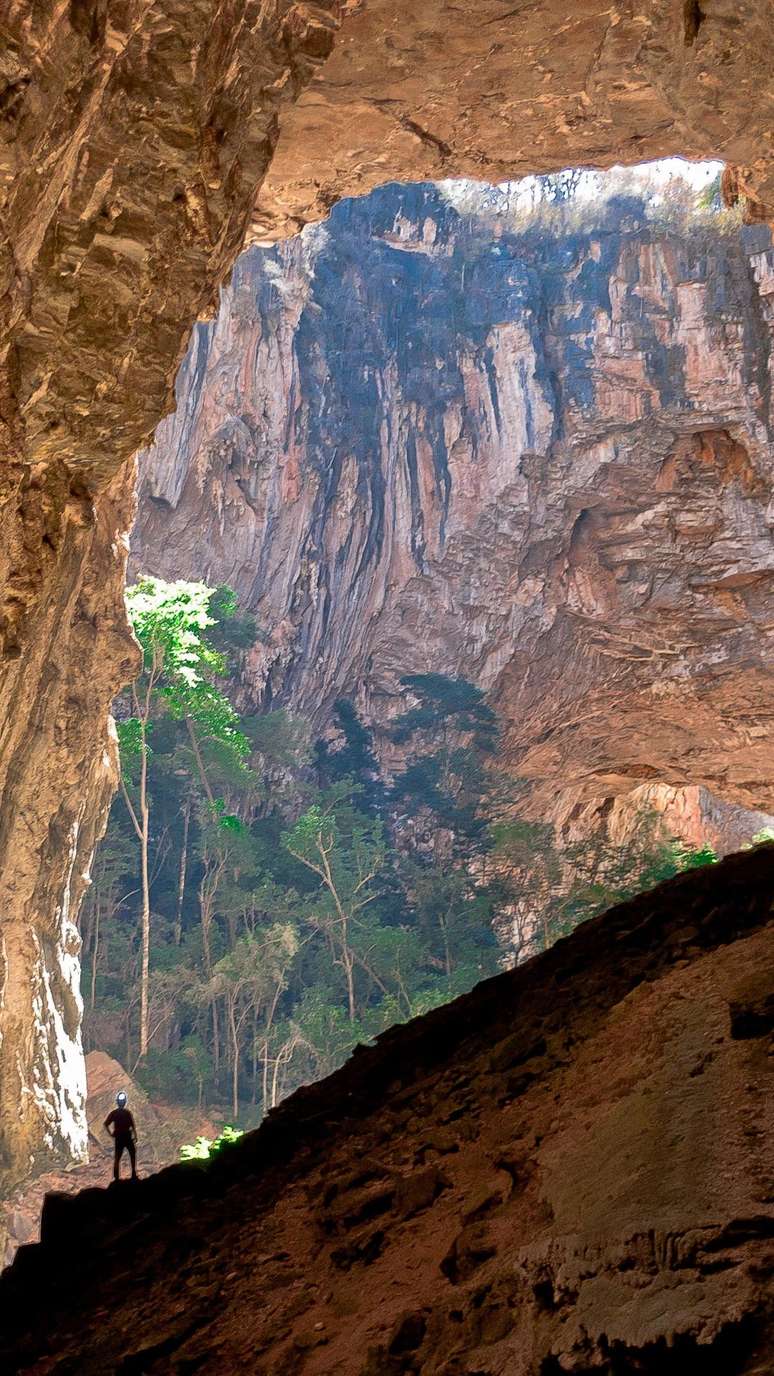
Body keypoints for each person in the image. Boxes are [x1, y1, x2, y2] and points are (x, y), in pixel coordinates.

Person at [104, 1090, 139, 1182]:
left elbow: (106, 1124)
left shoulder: (114, 1113)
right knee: (132, 1154)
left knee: (118, 1157)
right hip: (127, 1136)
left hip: (119, 1137)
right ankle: (133, 1174)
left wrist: (111, 1134)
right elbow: (132, 1125)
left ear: (117, 1102)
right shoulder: (127, 1113)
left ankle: (116, 1178)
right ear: (125, 1102)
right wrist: (135, 1135)